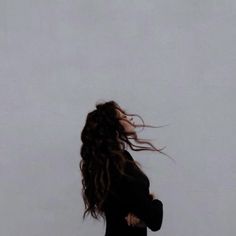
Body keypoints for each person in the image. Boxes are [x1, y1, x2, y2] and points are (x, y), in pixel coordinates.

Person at [80, 100, 169, 236]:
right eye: (123, 116)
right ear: (113, 126)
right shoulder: (120, 163)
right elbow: (155, 219)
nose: (130, 118)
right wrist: (155, 202)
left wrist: (140, 213)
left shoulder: (105, 165)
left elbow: (127, 202)